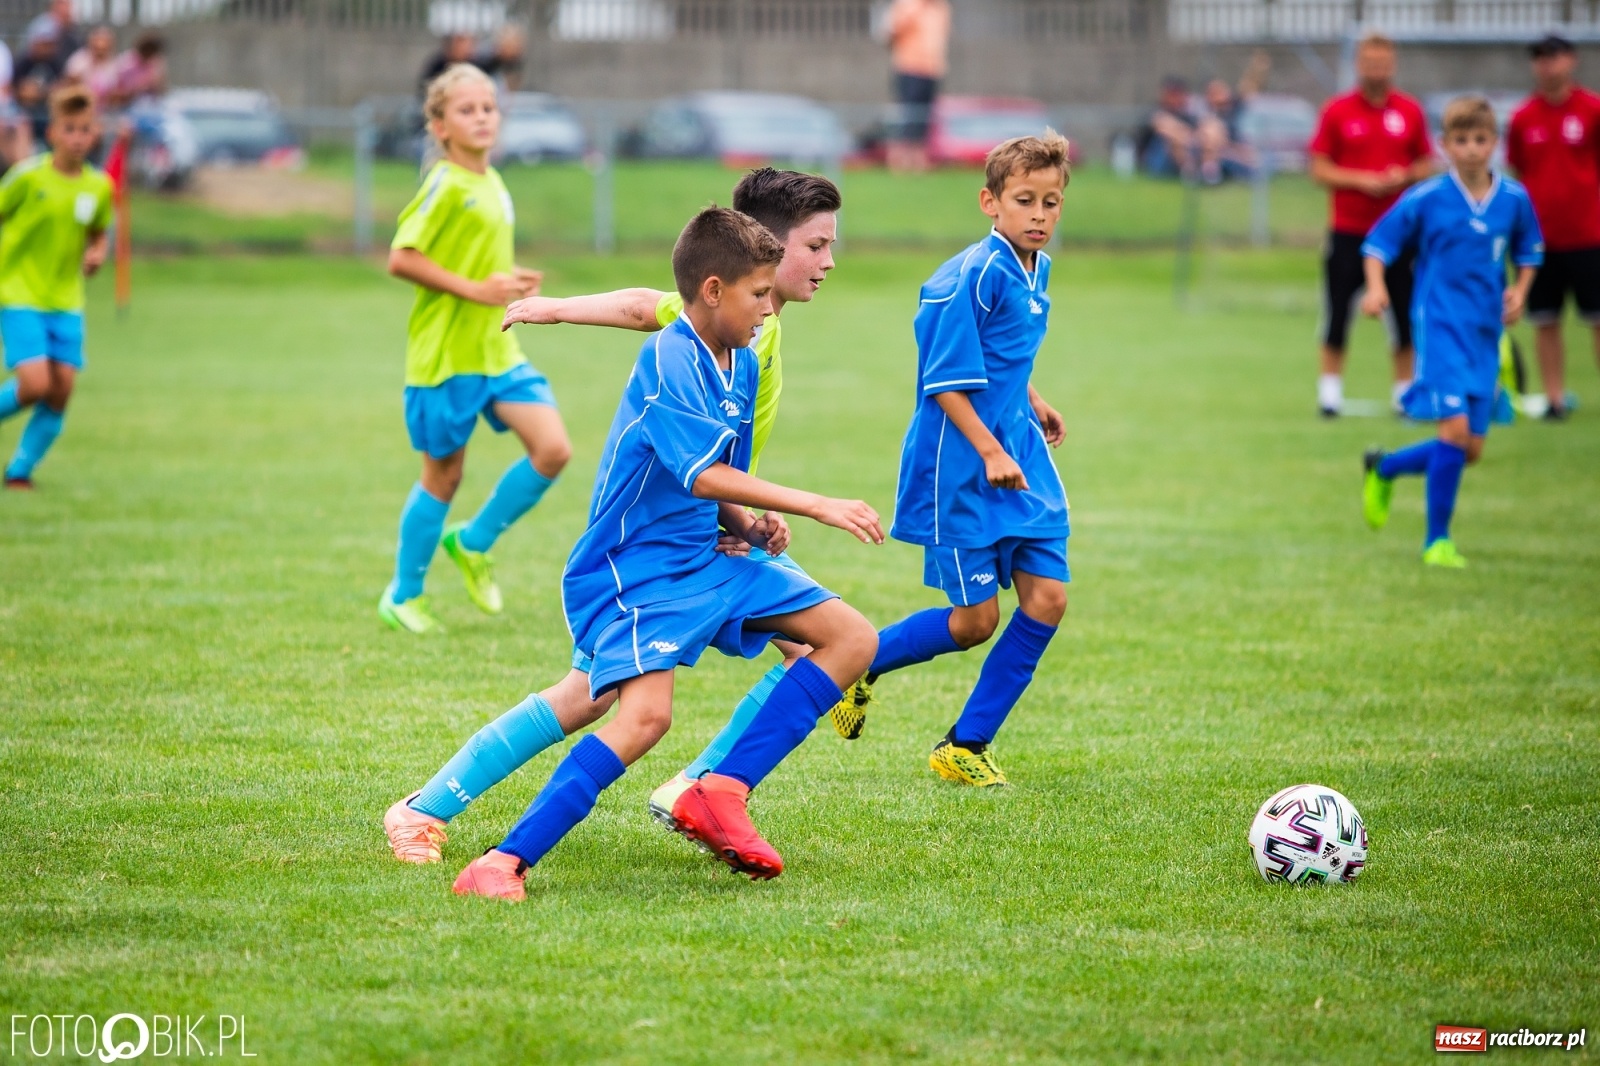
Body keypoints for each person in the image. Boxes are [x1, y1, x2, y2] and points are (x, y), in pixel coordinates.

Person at [381, 168, 844, 863]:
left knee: (812, 647)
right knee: (598, 696)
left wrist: (743, 520)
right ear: (764, 254)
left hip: (708, 521)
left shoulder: (748, 330)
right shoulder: (719, 324)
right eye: (816, 246)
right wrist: (558, 307)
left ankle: (702, 787)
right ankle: (693, 788)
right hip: (653, 542)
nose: (830, 262)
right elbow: (643, 312)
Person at [800, 132, 1072, 787]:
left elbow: (1003, 354)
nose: (1039, 214)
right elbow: (944, 380)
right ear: (990, 202)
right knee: (977, 621)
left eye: (1052, 202)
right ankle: (858, 662)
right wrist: (989, 449)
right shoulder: (968, 278)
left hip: (1017, 456)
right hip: (961, 468)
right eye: (1025, 200)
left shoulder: (1037, 269)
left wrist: (1032, 400)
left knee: (1048, 599)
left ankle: (964, 745)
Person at [378, 64, 558, 633]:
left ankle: (474, 543)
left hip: (499, 350)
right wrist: (478, 289)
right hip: (447, 356)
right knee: (444, 477)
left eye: (488, 107)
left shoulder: (492, 181)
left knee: (552, 449)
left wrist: (506, 281)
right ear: (439, 126)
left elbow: (478, 265)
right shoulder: (445, 183)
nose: (481, 117)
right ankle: (403, 596)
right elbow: (401, 257)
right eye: (465, 110)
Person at [1358, 97, 1543, 568]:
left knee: (1470, 449)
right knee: (1455, 431)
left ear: (1494, 144)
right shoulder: (1427, 197)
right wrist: (1376, 289)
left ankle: (1386, 467)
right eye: (1460, 140)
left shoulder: (1514, 200)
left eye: (1480, 140)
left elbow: (1528, 252)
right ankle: (1436, 541)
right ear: (1444, 145)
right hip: (1439, 328)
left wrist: (1520, 292)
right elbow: (1378, 244)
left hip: (1485, 335)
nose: (1471, 149)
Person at [1308, 32, 1435, 418]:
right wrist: (1362, 180)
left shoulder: (1409, 111)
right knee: (1337, 311)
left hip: (1399, 233)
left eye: (1383, 63)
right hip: (1350, 230)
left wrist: (1405, 175)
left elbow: (1427, 163)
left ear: (1392, 65)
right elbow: (1319, 167)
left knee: (1404, 312)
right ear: (1358, 65)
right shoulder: (1338, 110)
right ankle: (1329, 395)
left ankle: (1403, 393)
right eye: (1369, 62)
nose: (1376, 70)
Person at [0, 86, 112, 489]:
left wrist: (98, 253)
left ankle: (19, 472)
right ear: (53, 134)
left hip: (66, 300)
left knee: (61, 391)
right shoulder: (28, 177)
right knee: (35, 385)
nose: (78, 137)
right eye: (70, 129)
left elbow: (99, 232)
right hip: (18, 292)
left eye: (85, 129)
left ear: (94, 133)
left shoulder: (99, 186)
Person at [1507, 34, 1600, 422]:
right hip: (1539, 240)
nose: (1548, 66)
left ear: (1571, 60)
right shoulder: (1524, 117)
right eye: (1540, 59)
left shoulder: (1592, 110)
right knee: (1545, 321)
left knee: (1597, 319)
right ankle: (1555, 398)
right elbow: (1518, 170)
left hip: (1589, 235)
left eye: (1554, 58)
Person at [885, 0, 950, 172]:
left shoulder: (941, 8)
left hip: (932, 69)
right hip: (909, 67)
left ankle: (919, 160)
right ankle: (900, 161)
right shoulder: (908, 5)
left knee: (925, 117)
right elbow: (891, 33)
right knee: (908, 115)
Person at [64, 26, 120, 109]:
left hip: (106, 109)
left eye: (103, 49)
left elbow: (116, 91)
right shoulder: (78, 60)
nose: (100, 51)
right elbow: (69, 85)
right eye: (97, 48)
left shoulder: (115, 64)